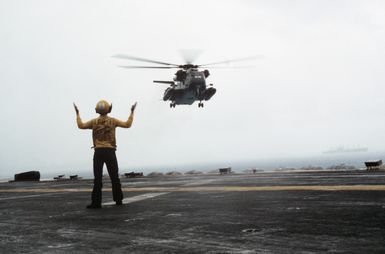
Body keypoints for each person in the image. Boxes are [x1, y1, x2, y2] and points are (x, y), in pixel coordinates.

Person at [73, 100, 137, 209]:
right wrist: (132, 112)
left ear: (97, 110)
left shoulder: (93, 122)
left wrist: (77, 113)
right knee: (114, 177)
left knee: (97, 178)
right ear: (109, 109)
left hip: (98, 152)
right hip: (110, 151)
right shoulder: (113, 121)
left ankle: (96, 203)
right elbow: (127, 124)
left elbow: (81, 125)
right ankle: (118, 200)